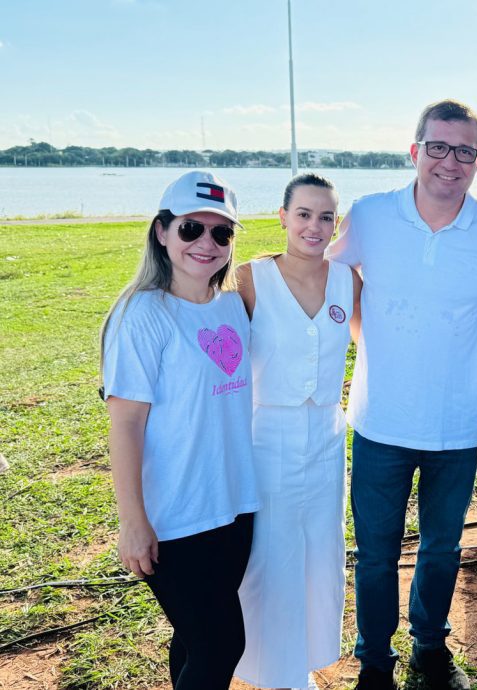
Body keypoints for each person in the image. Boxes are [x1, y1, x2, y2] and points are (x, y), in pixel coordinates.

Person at [328, 99, 477, 690]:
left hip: (457, 427)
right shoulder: (369, 216)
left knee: (442, 548)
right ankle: (374, 662)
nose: (450, 161)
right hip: (379, 420)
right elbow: (329, 273)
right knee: (378, 552)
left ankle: (430, 650)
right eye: (438, 146)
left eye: (464, 150)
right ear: (415, 151)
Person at [101, 171, 259, 690]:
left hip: (233, 505)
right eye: (191, 228)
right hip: (175, 518)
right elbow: (125, 424)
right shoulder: (142, 315)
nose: (206, 244)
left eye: (221, 233)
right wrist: (133, 521)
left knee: (192, 640)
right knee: (222, 644)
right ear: (162, 231)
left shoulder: (233, 306)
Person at [234, 174, 361, 690]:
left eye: (326, 216)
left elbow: (374, 342)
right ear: (282, 216)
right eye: (304, 214)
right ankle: (270, 672)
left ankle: (302, 664)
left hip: (328, 437)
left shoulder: (346, 280)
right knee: (270, 555)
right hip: (268, 435)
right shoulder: (249, 278)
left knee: (319, 553)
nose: (315, 226)